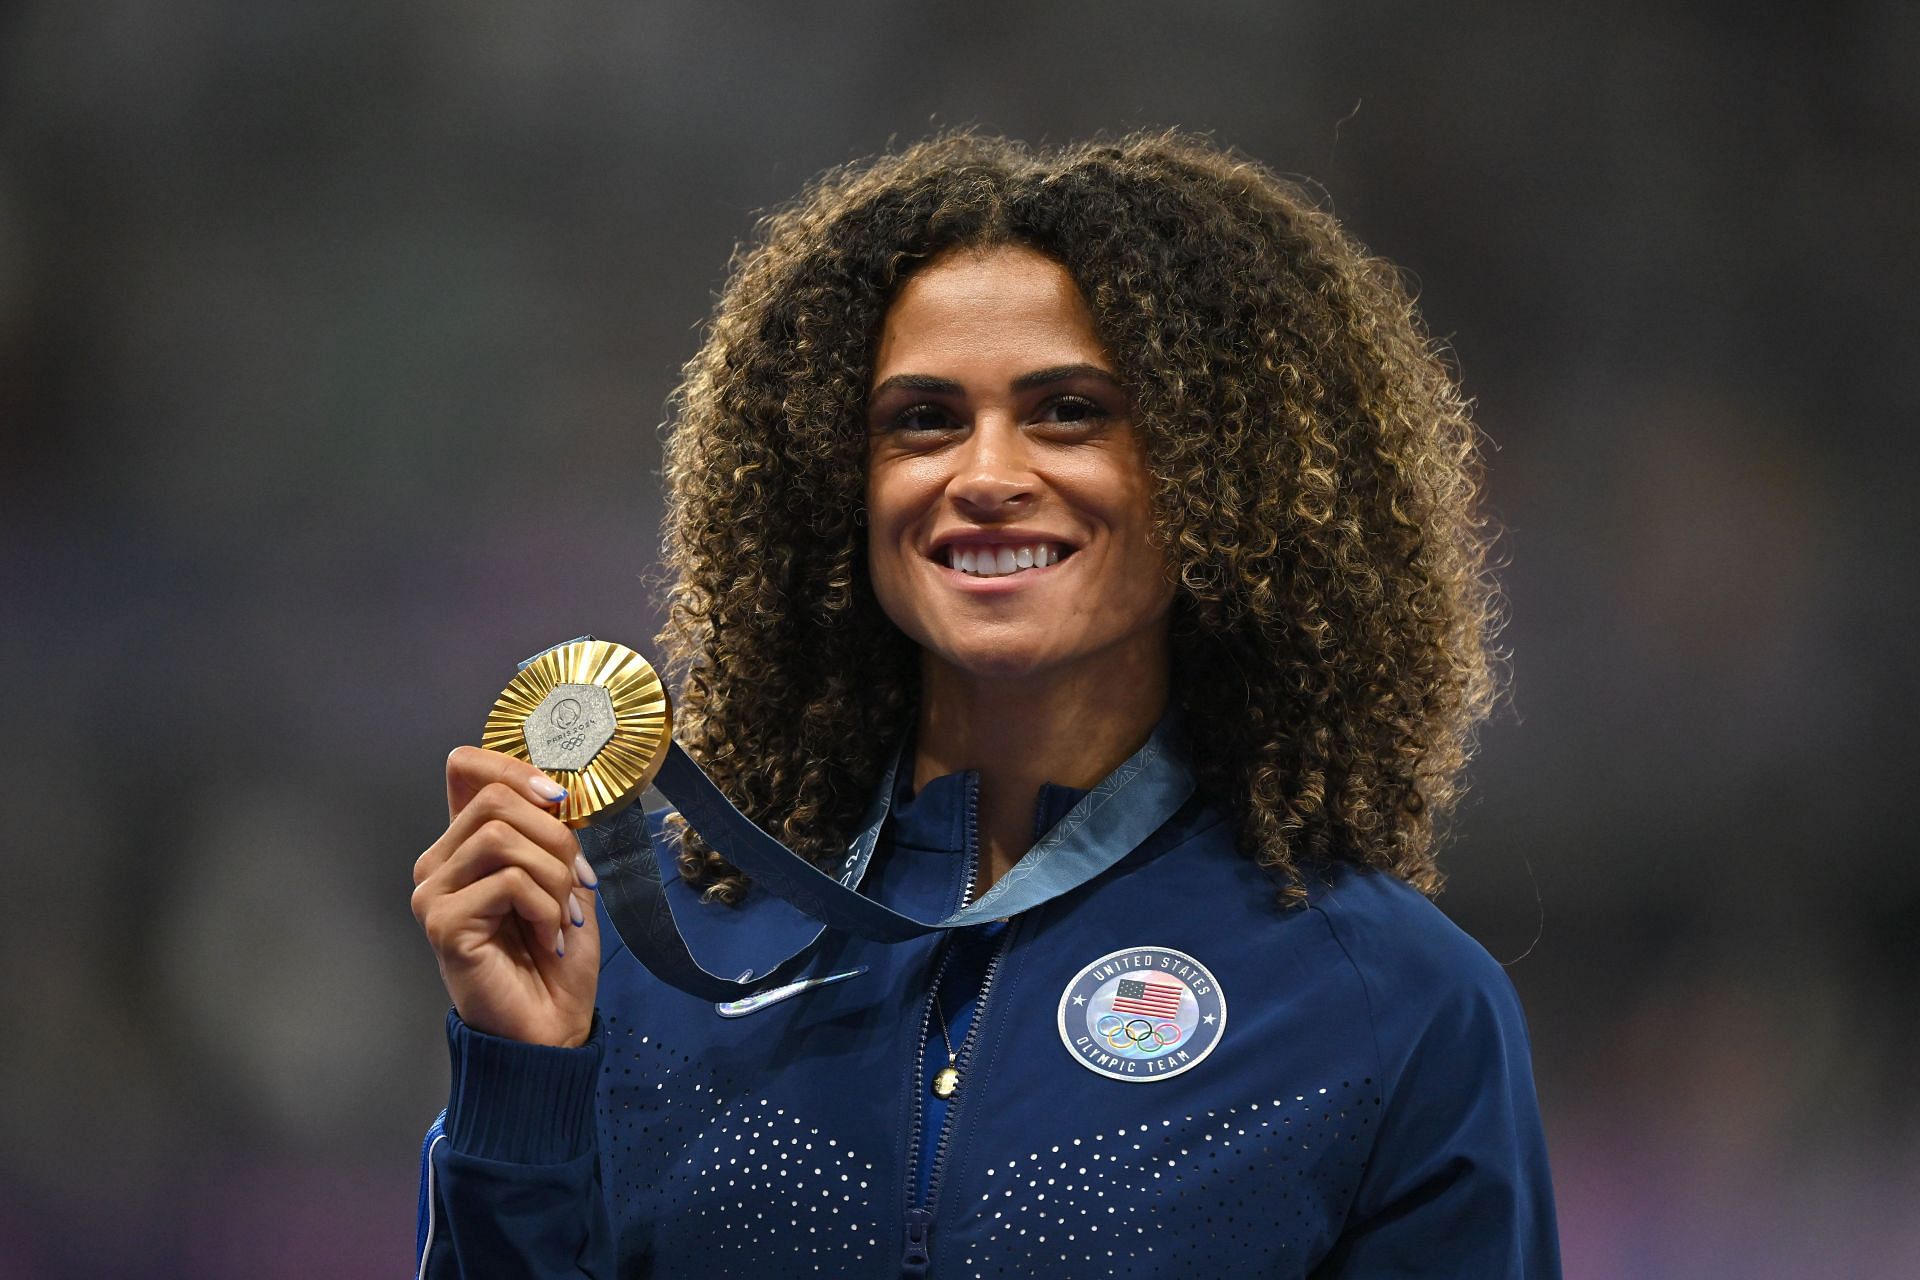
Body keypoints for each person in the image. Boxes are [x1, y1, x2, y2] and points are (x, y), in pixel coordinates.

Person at [410, 130, 1560, 1277]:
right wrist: (521, 1077)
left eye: (1068, 410)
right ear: (834, 482)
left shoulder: (1390, 999)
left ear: (1219, 470)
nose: (987, 473)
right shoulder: (643, 945)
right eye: (924, 419)